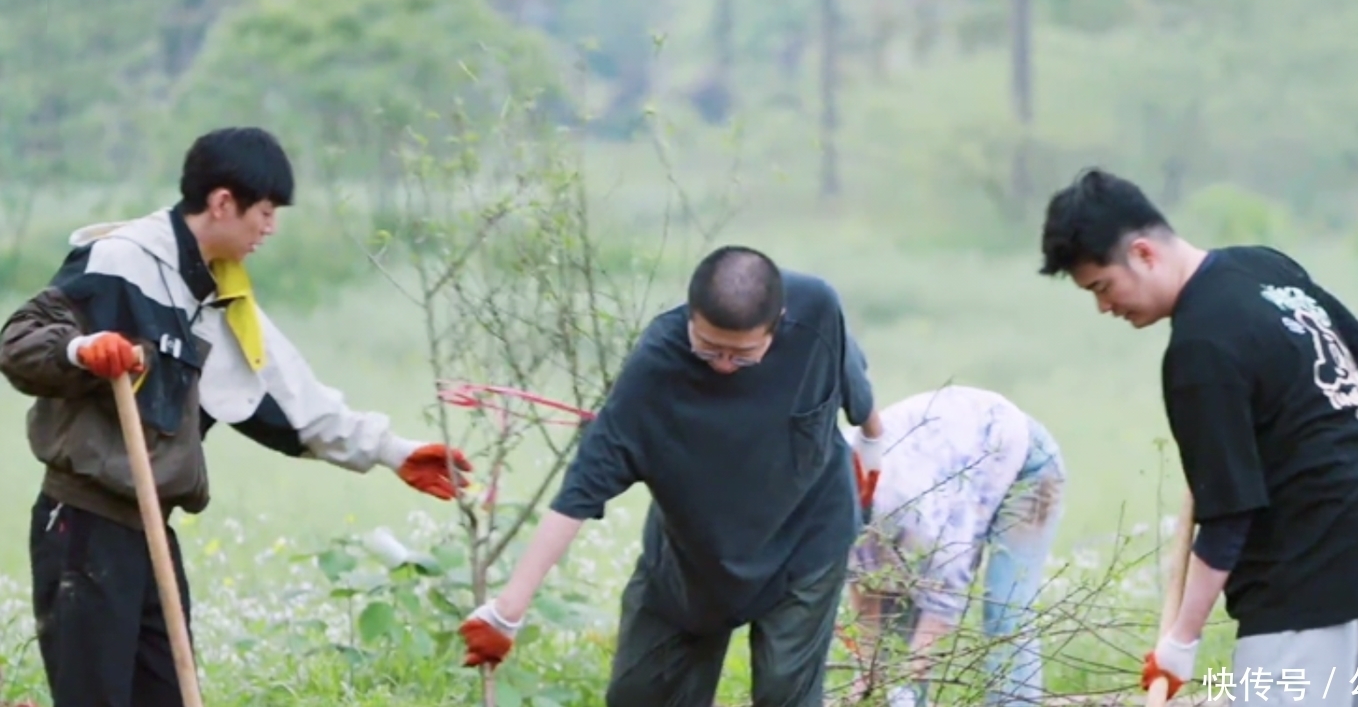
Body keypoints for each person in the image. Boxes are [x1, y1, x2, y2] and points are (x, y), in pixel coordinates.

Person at [0, 126, 473, 707]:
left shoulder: (220, 295)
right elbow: (19, 340)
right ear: (223, 203)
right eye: (266, 213)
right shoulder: (120, 260)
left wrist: (392, 452)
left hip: (151, 533)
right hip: (83, 525)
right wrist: (81, 352)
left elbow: (293, 395)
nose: (269, 230)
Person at [1036, 168, 1358, 707]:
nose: (1104, 307)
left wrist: (1180, 642)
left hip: (1307, 585)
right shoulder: (1265, 266)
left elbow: (1227, 518)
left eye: (1102, 286)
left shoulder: (1200, 349)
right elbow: (1355, 347)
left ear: (1144, 253)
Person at [456, 245, 886, 706]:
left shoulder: (817, 310)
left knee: (786, 693)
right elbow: (581, 489)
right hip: (694, 560)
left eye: (741, 355)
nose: (722, 364)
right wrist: (508, 611)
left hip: (807, 541)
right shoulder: (655, 368)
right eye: (708, 347)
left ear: (777, 323)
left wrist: (874, 449)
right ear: (690, 315)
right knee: (641, 696)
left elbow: (855, 390)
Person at [840, 385, 1066, 707]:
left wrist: (909, 672)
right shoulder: (825, 498)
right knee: (894, 632)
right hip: (948, 467)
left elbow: (947, 590)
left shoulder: (907, 507)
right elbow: (867, 582)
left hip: (1023, 461)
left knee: (1005, 612)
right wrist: (867, 671)